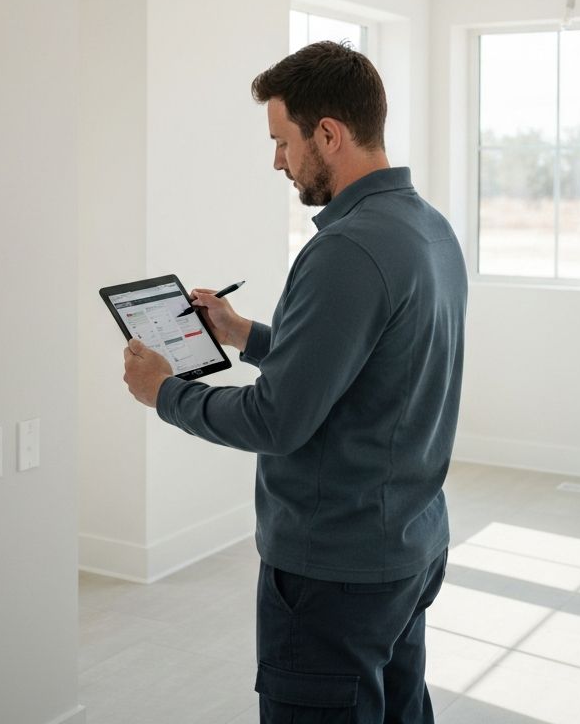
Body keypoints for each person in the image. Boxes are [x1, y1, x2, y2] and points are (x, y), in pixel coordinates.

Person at [122, 41, 467, 723]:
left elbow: (278, 420)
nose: (276, 159)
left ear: (329, 134)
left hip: (333, 568)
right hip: (406, 546)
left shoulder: (344, 249)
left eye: (282, 140)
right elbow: (365, 369)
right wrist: (243, 331)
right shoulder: (429, 229)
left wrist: (165, 393)